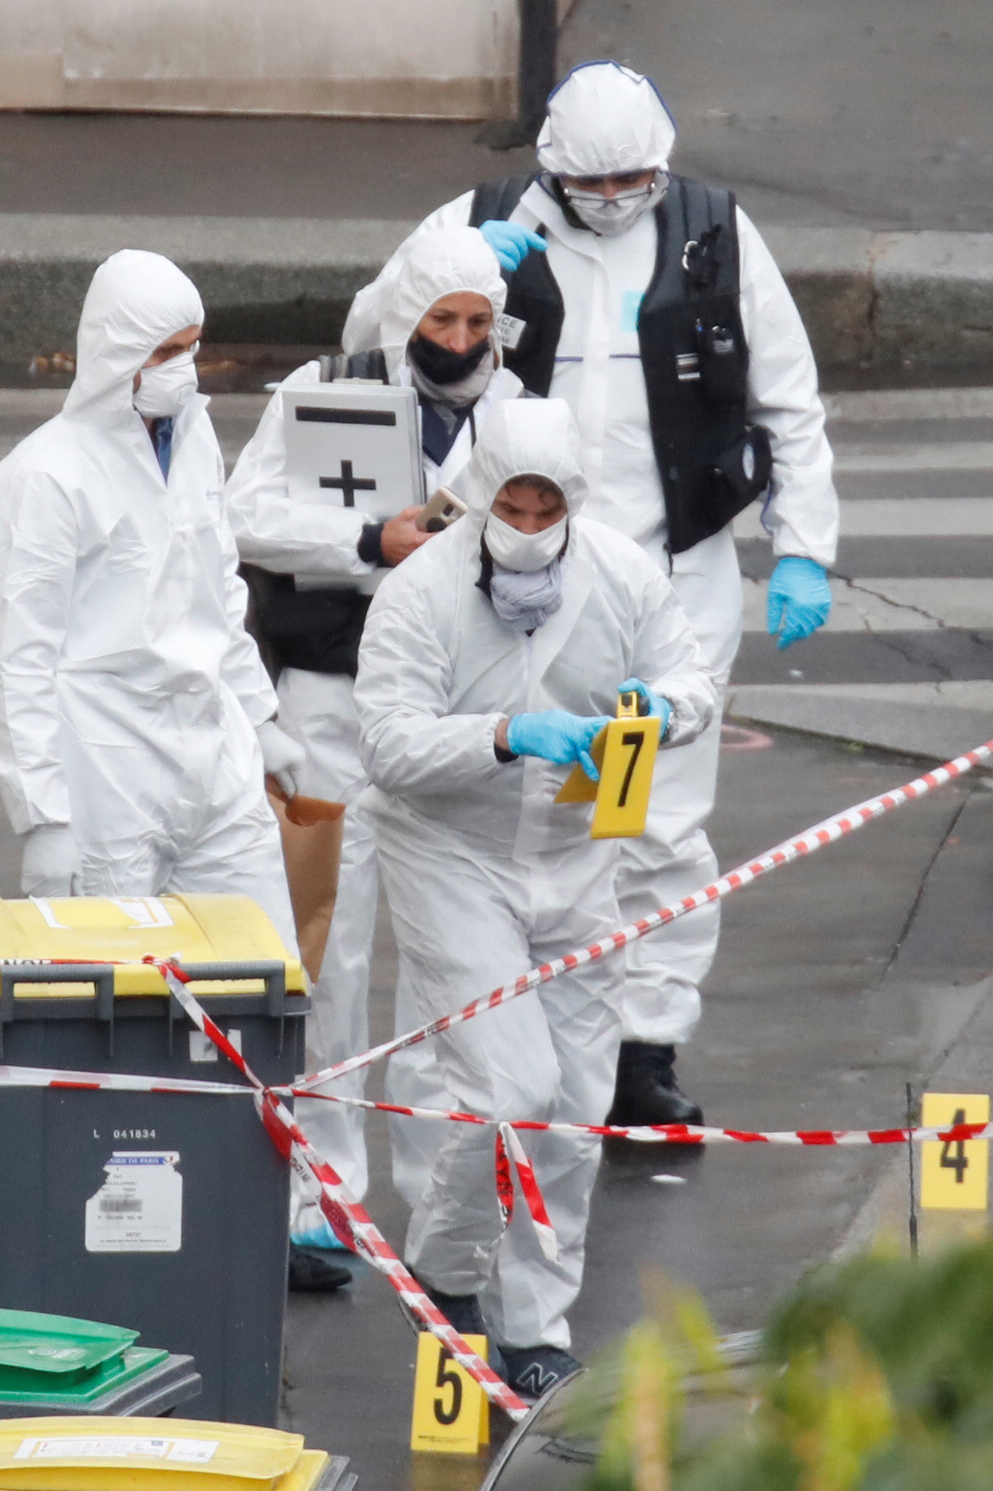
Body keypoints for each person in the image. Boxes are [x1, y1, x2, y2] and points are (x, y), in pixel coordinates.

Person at [344, 59, 840, 1127]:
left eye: (634, 182)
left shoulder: (716, 236)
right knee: (507, 806)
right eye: (592, 185)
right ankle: (505, 1021)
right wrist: (448, 275)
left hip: (667, 572)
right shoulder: (481, 220)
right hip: (512, 571)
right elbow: (363, 339)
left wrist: (801, 544)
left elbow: (787, 403)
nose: (614, 202)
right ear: (551, 170)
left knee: (654, 817)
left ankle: (643, 1046)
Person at [355, 397, 715, 1396]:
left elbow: (689, 676)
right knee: (510, 1090)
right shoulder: (421, 591)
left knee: (574, 1107)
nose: (526, 526)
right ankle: (446, 1268)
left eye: (544, 509)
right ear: (479, 497)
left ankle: (533, 1328)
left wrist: (665, 709)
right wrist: (505, 734)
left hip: (575, 854)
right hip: (451, 854)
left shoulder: (621, 574)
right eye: (509, 508)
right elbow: (385, 744)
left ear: (573, 502)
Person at [224, 225, 523, 1272]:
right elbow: (244, 516)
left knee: (451, 953)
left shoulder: (519, 412)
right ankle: (319, 1188)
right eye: (441, 319)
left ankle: (445, 1193)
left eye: (477, 322)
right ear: (404, 317)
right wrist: (367, 543)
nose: (460, 341)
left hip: (451, 714)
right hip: (331, 698)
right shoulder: (324, 392)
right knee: (328, 947)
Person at [0, 248, 298, 946]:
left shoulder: (193, 437)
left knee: (260, 961)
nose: (184, 368)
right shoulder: (43, 477)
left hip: (214, 757)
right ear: (115, 352)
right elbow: (18, 660)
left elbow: (218, 587)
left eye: (192, 348)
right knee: (117, 984)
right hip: (108, 773)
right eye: (164, 352)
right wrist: (44, 815)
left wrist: (257, 714)